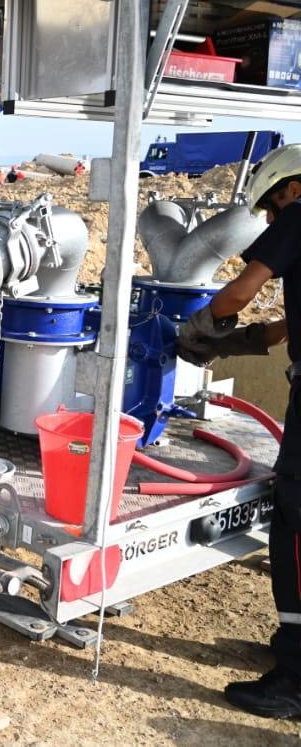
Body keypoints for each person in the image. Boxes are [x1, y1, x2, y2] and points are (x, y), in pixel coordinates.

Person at [177, 143, 301, 719]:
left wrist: (206, 325)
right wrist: (243, 341)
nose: (271, 220)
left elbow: (239, 292)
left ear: (293, 188)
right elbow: (286, 326)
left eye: (271, 209)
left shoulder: (299, 215)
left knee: (295, 524)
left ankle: (294, 678)